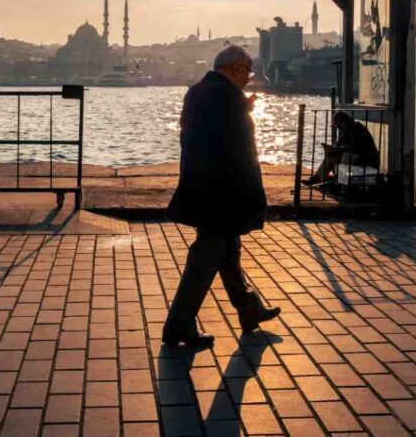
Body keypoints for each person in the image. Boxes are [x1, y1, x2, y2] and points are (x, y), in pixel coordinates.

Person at [163, 45, 281, 349]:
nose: (248, 78)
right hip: (222, 194)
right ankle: (179, 325)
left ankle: (248, 308)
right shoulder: (227, 97)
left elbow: (208, 132)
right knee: (204, 260)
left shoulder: (198, 91)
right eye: (248, 72)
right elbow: (233, 148)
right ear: (237, 68)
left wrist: (242, 106)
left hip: (202, 188)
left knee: (229, 252)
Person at [305, 111, 380, 185]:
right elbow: (339, 144)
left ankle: (337, 180)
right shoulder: (345, 129)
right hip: (358, 157)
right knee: (330, 157)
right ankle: (318, 177)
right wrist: (332, 149)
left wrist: (336, 149)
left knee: (346, 156)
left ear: (341, 122)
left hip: (366, 160)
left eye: (337, 124)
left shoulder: (355, 128)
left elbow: (354, 148)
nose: (337, 127)